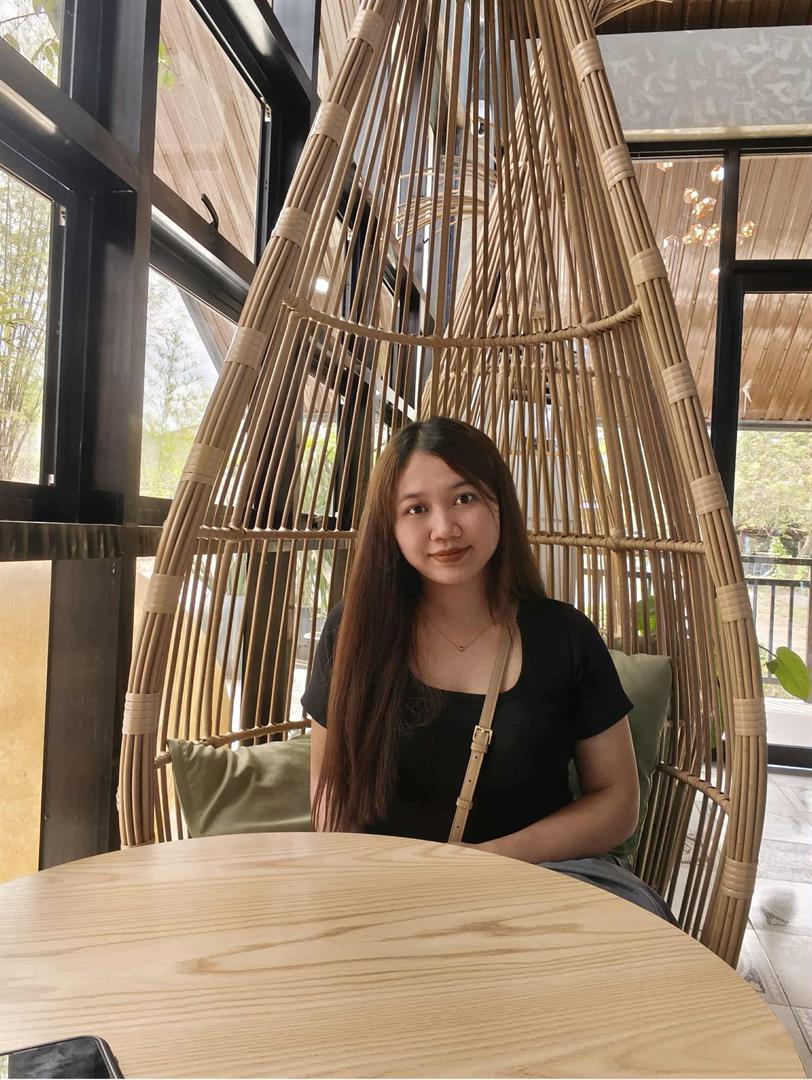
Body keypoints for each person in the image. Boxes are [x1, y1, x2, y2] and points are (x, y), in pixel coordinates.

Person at [302, 416, 677, 924]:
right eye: (416, 508)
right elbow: (330, 794)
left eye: (464, 498)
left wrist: (492, 859)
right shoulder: (354, 633)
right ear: (389, 527)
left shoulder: (565, 636)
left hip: (543, 883)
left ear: (499, 502)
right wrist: (373, 891)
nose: (444, 529)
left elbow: (617, 802)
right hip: (391, 892)